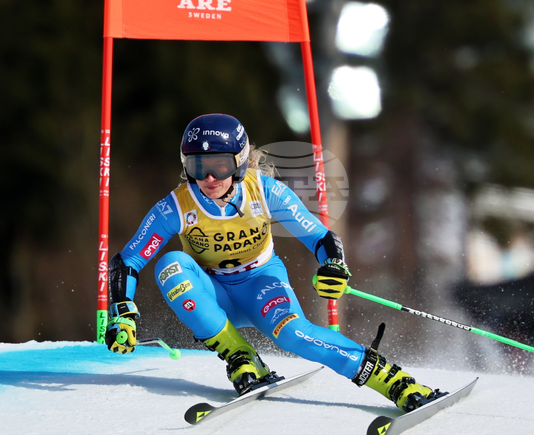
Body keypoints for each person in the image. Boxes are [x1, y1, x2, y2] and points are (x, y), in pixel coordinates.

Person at [105, 113, 443, 411]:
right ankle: (241, 357)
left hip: (260, 284)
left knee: (295, 335)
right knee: (171, 265)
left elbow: (321, 237)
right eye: (197, 166)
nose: (209, 178)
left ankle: (395, 382)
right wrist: (123, 312)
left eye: (219, 166)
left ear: (238, 162)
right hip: (212, 294)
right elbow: (129, 260)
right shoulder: (176, 206)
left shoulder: (265, 192)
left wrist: (333, 266)